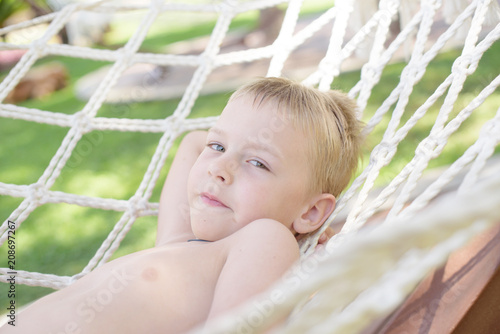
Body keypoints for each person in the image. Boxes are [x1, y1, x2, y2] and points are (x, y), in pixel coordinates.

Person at [0, 77, 363, 333]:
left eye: (258, 162)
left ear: (312, 212)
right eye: (218, 147)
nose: (220, 169)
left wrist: (303, 246)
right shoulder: (180, 240)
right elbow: (193, 143)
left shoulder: (267, 240)